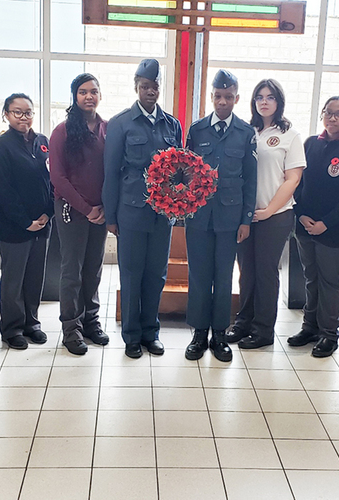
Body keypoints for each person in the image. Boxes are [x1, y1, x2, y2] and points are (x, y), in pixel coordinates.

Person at [103, 58, 183, 359]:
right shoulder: (121, 123)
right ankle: (132, 335)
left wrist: (179, 205)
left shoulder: (171, 124)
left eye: (155, 87)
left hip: (162, 215)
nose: (151, 91)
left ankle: (151, 332)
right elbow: (111, 172)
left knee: (156, 275)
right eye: (145, 86)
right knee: (132, 273)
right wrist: (111, 215)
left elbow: (179, 170)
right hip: (132, 211)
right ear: (137, 87)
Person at [183, 70, 256, 363]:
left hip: (230, 218)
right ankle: (199, 334)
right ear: (211, 96)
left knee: (224, 277)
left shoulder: (246, 132)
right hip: (198, 217)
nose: (222, 101)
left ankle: (220, 335)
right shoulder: (197, 130)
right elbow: (184, 172)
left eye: (228, 96)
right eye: (217, 96)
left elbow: (251, 180)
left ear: (236, 98)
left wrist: (246, 219)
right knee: (199, 276)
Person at [288, 96, 339, 358]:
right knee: (310, 278)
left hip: (336, 230)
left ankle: (328, 334)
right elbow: (297, 183)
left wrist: (327, 223)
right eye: (328, 112)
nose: (332, 118)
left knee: (329, 281)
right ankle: (309, 327)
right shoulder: (311, 144)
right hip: (306, 226)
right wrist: (300, 215)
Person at [226, 79, 306, 349]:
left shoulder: (289, 135)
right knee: (246, 270)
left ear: (278, 102)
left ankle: (263, 330)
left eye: (270, 97)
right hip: (246, 216)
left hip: (275, 215)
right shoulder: (246, 131)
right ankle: (243, 322)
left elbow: (292, 179)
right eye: (259, 96)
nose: (264, 101)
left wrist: (269, 210)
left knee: (265, 272)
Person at [50, 73, 111, 355]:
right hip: (72, 211)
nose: (89, 96)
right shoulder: (62, 131)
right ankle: (71, 328)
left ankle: (91, 322)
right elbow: (58, 178)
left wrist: (103, 209)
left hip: (100, 212)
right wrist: (86, 209)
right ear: (75, 96)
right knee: (71, 271)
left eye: (94, 91)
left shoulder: (108, 129)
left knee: (93, 269)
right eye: (83, 92)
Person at [0, 93, 53, 350]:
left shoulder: (43, 142)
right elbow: (1, 189)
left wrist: (48, 213)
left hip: (43, 222)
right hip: (14, 225)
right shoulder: (0, 146)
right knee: (14, 278)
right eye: (18, 112)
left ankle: (31, 323)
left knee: (35, 277)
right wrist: (25, 221)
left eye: (28, 112)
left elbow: (51, 180)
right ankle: (12, 328)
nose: (24, 117)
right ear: (6, 114)